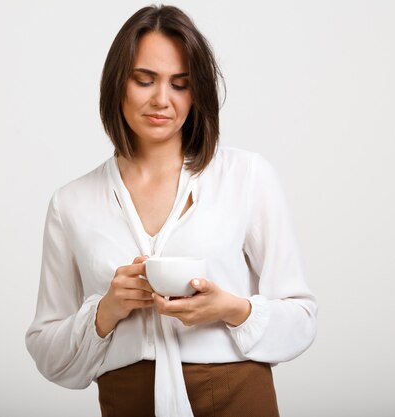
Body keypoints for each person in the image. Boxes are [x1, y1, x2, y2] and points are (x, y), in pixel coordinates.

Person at [26, 5, 317, 417]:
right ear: (118, 85)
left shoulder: (246, 176)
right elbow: (47, 351)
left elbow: (302, 318)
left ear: (196, 92)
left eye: (180, 84)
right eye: (145, 80)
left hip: (238, 396)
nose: (162, 100)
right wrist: (106, 311)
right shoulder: (72, 202)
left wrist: (232, 309)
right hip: (127, 400)